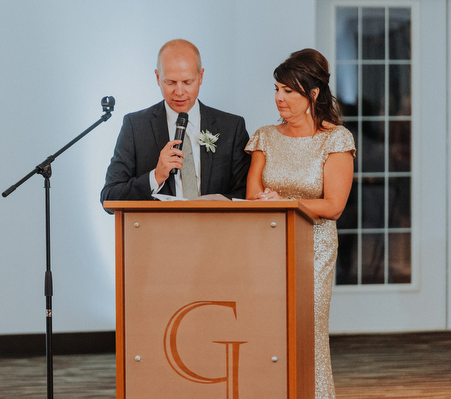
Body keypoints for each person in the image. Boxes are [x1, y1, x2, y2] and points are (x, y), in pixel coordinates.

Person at [245, 48, 356, 398]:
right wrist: (266, 201)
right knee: (268, 332)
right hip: (268, 249)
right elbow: (252, 196)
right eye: (277, 89)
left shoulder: (335, 139)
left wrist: (287, 202)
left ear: (313, 94)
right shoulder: (265, 136)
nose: (279, 98)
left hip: (315, 250)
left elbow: (334, 206)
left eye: (289, 91)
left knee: (307, 332)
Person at [100, 39, 250, 206]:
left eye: (187, 82)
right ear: (158, 77)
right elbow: (109, 196)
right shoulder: (135, 126)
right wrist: (155, 177)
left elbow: (245, 194)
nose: (179, 92)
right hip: (158, 230)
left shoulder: (232, 127)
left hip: (216, 229)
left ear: (201, 76)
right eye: (170, 82)